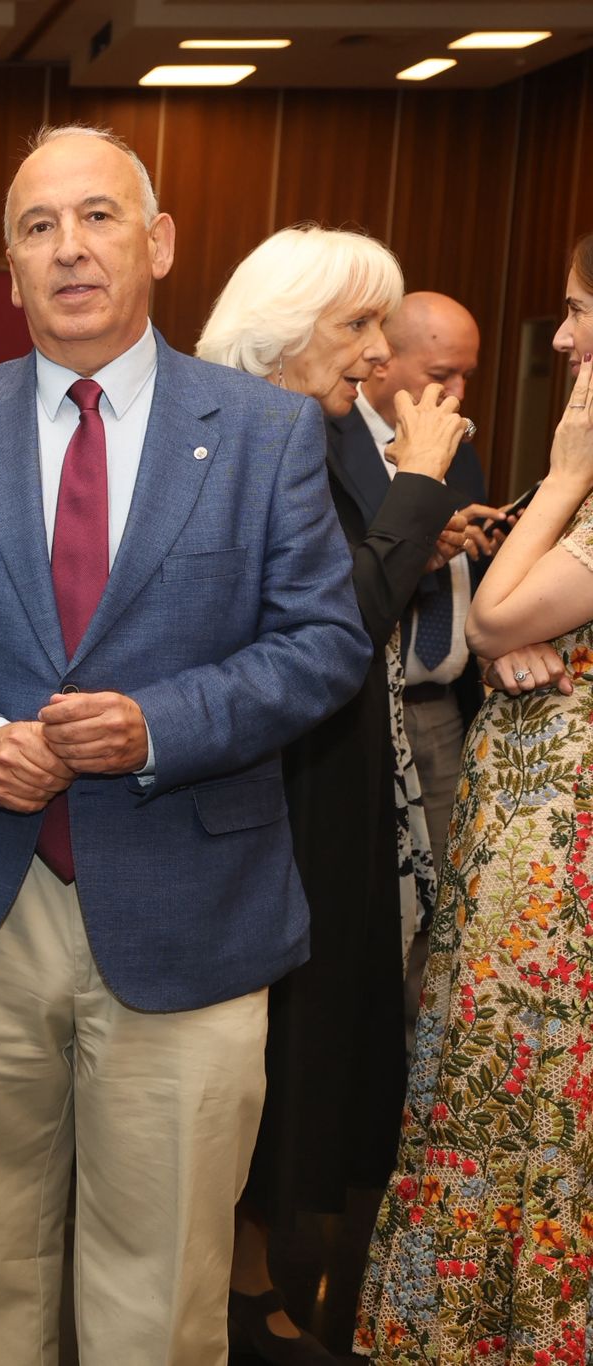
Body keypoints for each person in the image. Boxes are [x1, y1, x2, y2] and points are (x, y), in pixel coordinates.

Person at [0, 126, 370, 1365]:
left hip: (191, 906)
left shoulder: (262, 433)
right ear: (7, 267)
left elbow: (320, 647)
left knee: (159, 1283)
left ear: (157, 241)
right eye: (36, 227)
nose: (68, 248)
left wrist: (153, 725)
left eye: (97, 218)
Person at [194, 226, 473, 1365]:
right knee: (272, 1044)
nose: (377, 352)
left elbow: (365, 569)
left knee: (315, 1042)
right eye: (355, 324)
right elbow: (330, 615)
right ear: (282, 324)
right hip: (277, 780)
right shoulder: (248, 433)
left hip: (340, 772)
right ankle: (232, 1286)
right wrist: (415, 483)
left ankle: (257, 1265)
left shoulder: (314, 428)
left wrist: (419, 520)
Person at [356, 233, 593, 1364]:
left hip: (560, 886)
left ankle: (483, 1336)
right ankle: (433, 1326)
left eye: (574, 310)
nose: (555, 337)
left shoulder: (580, 476)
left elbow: (500, 614)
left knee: (514, 1118)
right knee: (460, 1094)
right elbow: (513, 621)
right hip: (521, 857)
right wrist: (517, 631)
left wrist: (559, 475)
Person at [348, 291, 505, 866]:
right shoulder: (328, 440)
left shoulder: (457, 446)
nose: (460, 393)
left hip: (445, 705)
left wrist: (479, 544)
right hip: (363, 706)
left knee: (447, 892)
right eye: (443, 374)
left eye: (468, 373)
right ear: (384, 358)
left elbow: (461, 563)